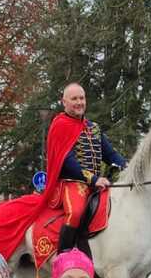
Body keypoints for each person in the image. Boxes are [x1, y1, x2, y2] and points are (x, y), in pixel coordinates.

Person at [47, 84, 127, 257]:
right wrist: (93, 179)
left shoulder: (93, 128)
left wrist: (127, 168)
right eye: (74, 99)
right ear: (64, 102)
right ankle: (63, 256)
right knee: (75, 212)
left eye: (81, 98)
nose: (79, 102)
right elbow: (66, 160)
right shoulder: (60, 124)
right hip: (72, 182)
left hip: (96, 184)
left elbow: (110, 154)